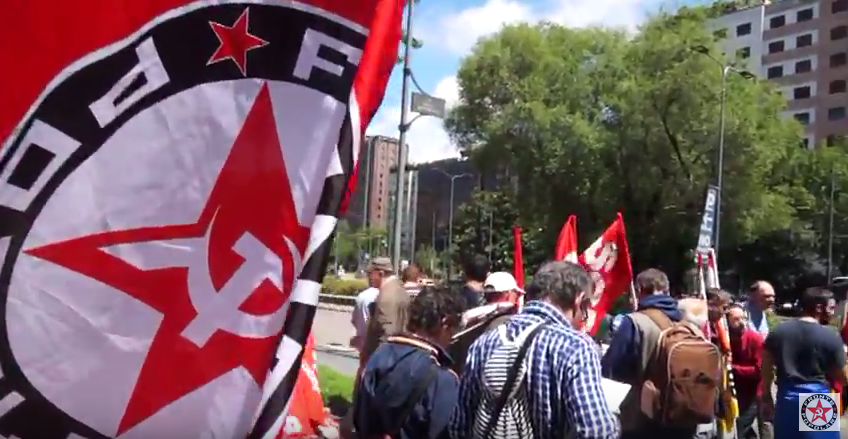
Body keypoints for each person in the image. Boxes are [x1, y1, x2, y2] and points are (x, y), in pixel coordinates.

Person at [449, 261, 619, 439]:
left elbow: (459, 425)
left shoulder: (483, 343)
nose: (583, 318)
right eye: (585, 310)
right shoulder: (576, 348)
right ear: (578, 300)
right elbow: (597, 432)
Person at [602, 268, 719, 439]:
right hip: (685, 417)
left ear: (640, 290)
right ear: (667, 290)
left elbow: (611, 369)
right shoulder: (692, 327)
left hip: (643, 419)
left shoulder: (634, 323)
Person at [352, 286, 464, 439]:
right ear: (445, 323)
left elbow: (360, 417)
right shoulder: (443, 379)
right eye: (454, 329)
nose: (453, 338)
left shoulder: (380, 354)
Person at [762, 287, 848, 439]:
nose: (833, 313)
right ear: (819, 308)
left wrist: (767, 395)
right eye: (831, 308)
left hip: (787, 397)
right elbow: (844, 378)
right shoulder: (831, 337)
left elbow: (766, 367)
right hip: (818, 400)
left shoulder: (778, 332)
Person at [448, 271, 523, 373]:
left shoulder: (470, 318)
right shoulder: (510, 323)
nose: (517, 297)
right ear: (509, 294)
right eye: (516, 294)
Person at [725, 303, 765, 439]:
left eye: (743, 318)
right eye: (736, 319)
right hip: (733, 391)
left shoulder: (755, 339)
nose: (742, 322)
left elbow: (759, 371)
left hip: (752, 394)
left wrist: (732, 368)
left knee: (740, 428)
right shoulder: (725, 339)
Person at [361, 257, 409, 363]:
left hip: (386, 361)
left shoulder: (386, 297)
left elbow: (387, 335)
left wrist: (376, 364)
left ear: (381, 274)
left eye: (370, 274)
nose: (368, 277)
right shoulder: (399, 288)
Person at [349, 261, 381, 353]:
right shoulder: (383, 295)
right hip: (379, 346)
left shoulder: (361, 296)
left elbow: (354, 321)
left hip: (363, 346)